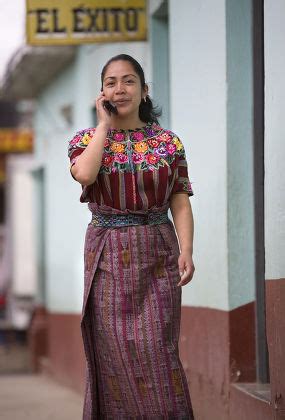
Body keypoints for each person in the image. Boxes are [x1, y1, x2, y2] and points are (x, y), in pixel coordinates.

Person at [68, 54, 195, 419]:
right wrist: (104, 127)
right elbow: (86, 176)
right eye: (111, 82)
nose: (119, 89)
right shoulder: (85, 140)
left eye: (128, 81)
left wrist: (187, 250)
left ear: (144, 90)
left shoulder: (168, 143)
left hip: (157, 252)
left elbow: (180, 201)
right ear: (102, 92)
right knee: (113, 352)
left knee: (159, 350)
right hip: (107, 255)